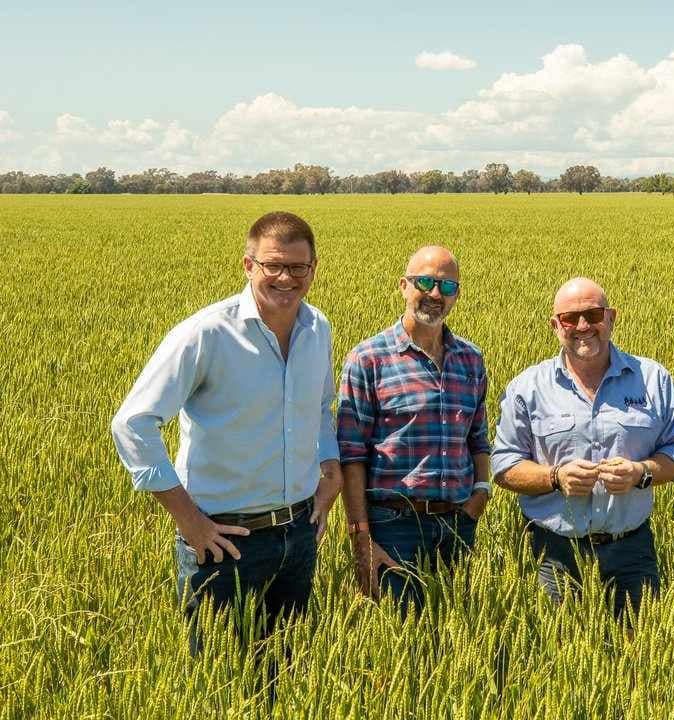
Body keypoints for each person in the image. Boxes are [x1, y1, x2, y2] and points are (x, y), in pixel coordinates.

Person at [111, 211, 342, 655]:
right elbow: (132, 423)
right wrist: (189, 520)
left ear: (313, 269)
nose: (285, 278)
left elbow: (319, 406)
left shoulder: (318, 328)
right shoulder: (207, 333)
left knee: (287, 674)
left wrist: (330, 470)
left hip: (299, 535)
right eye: (272, 265)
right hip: (224, 543)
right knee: (217, 677)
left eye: (297, 267)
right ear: (248, 265)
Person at [491, 277, 674, 620]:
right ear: (556, 326)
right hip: (554, 554)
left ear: (611, 317)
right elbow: (504, 465)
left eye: (594, 315)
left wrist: (640, 473)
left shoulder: (653, 379)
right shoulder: (528, 388)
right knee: (559, 648)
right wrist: (555, 477)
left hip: (631, 551)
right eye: (570, 318)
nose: (583, 326)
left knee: (638, 646)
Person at [336, 246, 490, 614]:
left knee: (455, 632)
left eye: (447, 286)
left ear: (457, 295)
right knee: (397, 629)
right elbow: (351, 455)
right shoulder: (368, 359)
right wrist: (360, 536)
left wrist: (480, 495)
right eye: (425, 282)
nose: (435, 294)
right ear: (404, 286)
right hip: (394, 526)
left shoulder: (470, 359)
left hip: (457, 523)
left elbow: (478, 438)